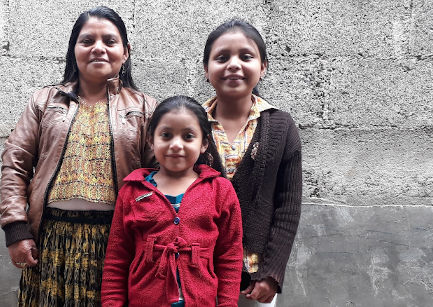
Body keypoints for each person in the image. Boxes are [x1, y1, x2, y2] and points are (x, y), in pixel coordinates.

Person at [0, 6, 157, 306]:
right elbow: (15, 163)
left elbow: (160, 176)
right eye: (87, 41)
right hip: (49, 238)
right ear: (74, 51)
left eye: (109, 41)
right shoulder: (44, 101)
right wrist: (16, 228)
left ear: (125, 52)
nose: (98, 48)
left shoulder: (146, 108)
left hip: (117, 243)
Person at [102, 95, 243, 307]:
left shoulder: (220, 190)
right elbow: (117, 258)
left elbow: (230, 256)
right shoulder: (132, 191)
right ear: (151, 140)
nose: (176, 145)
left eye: (188, 137)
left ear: (204, 143)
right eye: (166, 135)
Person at [202, 19, 303, 307]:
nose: (233, 64)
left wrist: (272, 273)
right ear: (207, 69)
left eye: (245, 56)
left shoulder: (281, 127)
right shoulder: (191, 126)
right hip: (199, 273)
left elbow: (288, 207)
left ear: (263, 67)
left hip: (255, 281)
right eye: (222, 58)